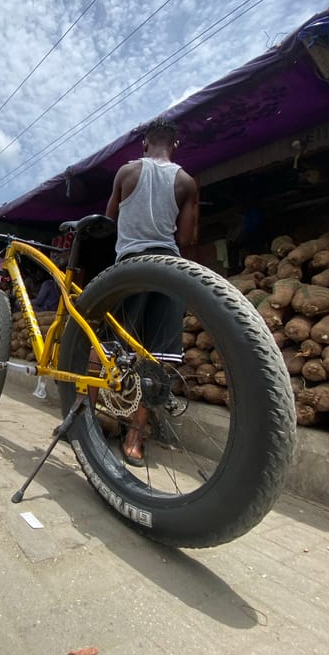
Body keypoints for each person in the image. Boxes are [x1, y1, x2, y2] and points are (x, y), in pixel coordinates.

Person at [105, 117, 198, 466]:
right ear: (175, 146)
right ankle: (135, 439)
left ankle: (90, 420)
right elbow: (186, 239)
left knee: (113, 349)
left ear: (144, 144)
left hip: (128, 268)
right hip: (167, 271)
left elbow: (110, 219)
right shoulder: (186, 181)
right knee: (156, 360)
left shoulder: (126, 173)